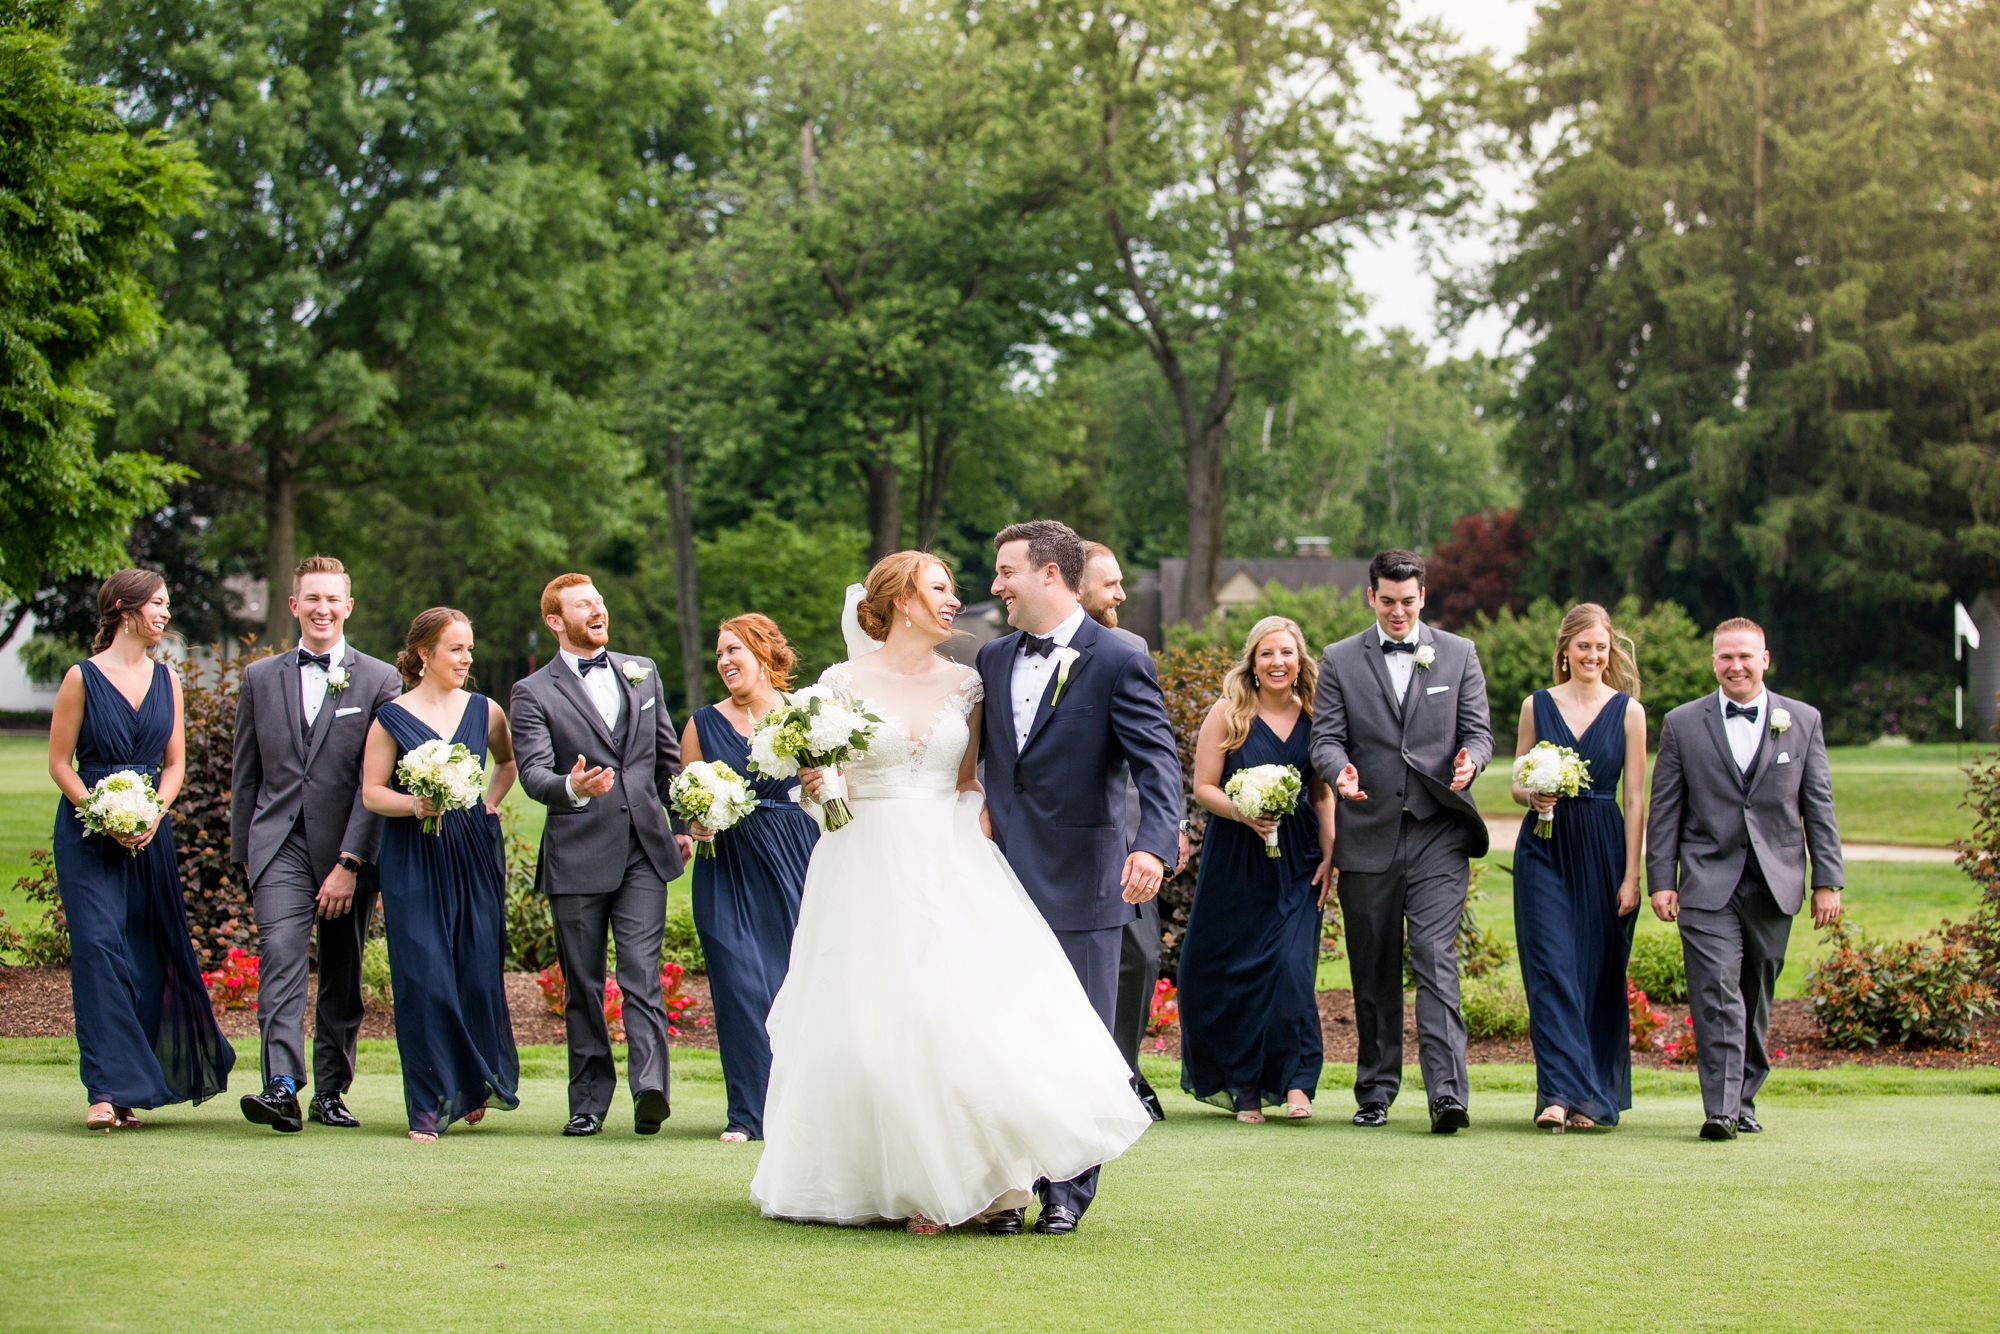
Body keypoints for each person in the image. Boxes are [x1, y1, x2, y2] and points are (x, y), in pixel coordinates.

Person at [752, 551, 1152, 1235]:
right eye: (939, 589)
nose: (954, 600)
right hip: (862, 863)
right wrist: (822, 790)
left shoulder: (969, 681)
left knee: (956, 1021)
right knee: (870, 1026)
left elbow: (970, 781)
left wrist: (977, 833)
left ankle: (972, 1185)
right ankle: (892, 1179)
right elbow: (825, 786)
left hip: (948, 858)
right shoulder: (838, 685)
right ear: (900, 600)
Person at [976, 520, 1183, 1233]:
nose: (996, 586)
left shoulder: (1119, 657)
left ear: (1049, 575)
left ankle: (1067, 1189)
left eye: (1006, 572)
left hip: (1084, 886)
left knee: (1079, 1045)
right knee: (1003, 1044)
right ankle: (1007, 1187)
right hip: (997, 884)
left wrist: (1152, 847)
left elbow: (1157, 764)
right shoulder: (992, 658)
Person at [1307, 549, 1492, 1134]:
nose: (1397, 612)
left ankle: (1447, 1095)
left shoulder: (1459, 653)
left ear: (1422, 597)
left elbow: (1480, 732)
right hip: (1368, 832)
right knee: (1373, 966)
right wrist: (1338, 771)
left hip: (1439, 830)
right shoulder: (1339, 659)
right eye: (1387, 601)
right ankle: (1376, 1091)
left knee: (1435, 957)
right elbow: (1325, 739)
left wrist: (1472, 759)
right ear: (1371, 596)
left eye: (1408, 602)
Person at [48, 569, 235, 1129]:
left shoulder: (167, 680)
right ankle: (104, 1091)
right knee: (98, 949)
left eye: (166, 603)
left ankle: (129, 1090)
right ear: (124, 610)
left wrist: (153, 811)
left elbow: (174, 764)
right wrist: (100, 811)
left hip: (149, 833)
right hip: (88, 835)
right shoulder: (81, 678)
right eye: (156, 603)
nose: (165, 613)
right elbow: (59, 763)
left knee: (143, 956)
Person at [1645, 617, 1842, 1140]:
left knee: (1755, 997)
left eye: (1745, 656)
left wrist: (1827, 880)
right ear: (1714, 662)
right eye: (1726, 657)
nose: (1736, 666)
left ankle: (1743, 1099)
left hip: (1775, 882)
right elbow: (1665, 810)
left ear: (1764, 660)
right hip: (1706, 879)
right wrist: (1661, 879)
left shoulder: (1802, 720)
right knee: (1716, 992)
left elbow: (1818, 805)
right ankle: (1720, 1110)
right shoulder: (1682, 723)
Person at [509, 575, 689, 1137]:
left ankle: (650, 1088)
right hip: (577, 853)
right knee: (583, 983)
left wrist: (682, 823)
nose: (598, 609)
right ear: (556, 621)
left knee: (641, 972)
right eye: (583, 604)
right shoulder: (532, 691)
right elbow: (533, 773)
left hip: (643, 849)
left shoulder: (643, 670)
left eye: (599, 601)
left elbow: (666, 758)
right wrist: (573, 786)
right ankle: (588, 1100)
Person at [230, 556, 401, 1133]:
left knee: (341, 973)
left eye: (332, 599)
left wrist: (351, 862)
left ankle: (330, 1090)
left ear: (348, 606)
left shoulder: (379, 680)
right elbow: (246, 775)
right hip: (277, 844)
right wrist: (246, 854)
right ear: (293, 605)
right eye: (312, 598)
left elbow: (378, 781)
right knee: (280, 955)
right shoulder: (258, 678)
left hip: (347, 849)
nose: (322, 608)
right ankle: (281, 1085)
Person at [361, 608, 520, 1141]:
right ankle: (427, 1104)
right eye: (455, 648)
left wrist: (489, 803)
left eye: (469, 648)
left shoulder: (486, 710)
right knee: (422, 975)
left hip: (473, 851)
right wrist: (416, 805)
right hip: (413, 856)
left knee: (475, 969)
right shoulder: (390, 717)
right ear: (424, 654)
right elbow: (372, 792)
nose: (467, 658)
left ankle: (474, 1082)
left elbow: (507, 763)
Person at [1178, 616, 1337, 1122]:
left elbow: (1321, 791)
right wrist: (1242, 811)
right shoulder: (1228, 713)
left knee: (1292, 967)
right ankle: (1244, 1087)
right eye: (1267, 653)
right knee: (1242, 970)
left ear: (1300, 660)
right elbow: (1204, 787)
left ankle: (1296, 1082)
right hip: (1236, 855)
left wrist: (1331, 852)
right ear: (1252, 662)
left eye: (1286, 652)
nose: (1277, 662)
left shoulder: (1314, 715)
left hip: (1299, 857)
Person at [1509, 603, 1647, 1133]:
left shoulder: (1629, 712)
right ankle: (1556, 1094)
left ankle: (1588, 1096)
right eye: (1583, 646)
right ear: (1565, 650)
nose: (1592, 655)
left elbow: (1634, 799)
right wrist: (1532, 795)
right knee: (1551, 968)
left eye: (1600, 647)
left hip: (1603, 847)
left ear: (1610, 652)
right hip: (1544, 848)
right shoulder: (1536, 705)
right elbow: (1516, 781)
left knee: (1596, 972)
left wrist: (1632, 876)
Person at [680, 614, 818, 1143]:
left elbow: (829, 789)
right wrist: (696, 823)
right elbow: (688, 797)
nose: (724, 661)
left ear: (763, 653)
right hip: (726, 864)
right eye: (719, 654)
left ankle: (801, 1106)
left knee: (792, 983)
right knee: (737, 984)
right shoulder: (701, 724)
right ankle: (746, 1112)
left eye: (733, 650)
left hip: (793, 856)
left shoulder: (803, 715)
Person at [1079, 540, 1186, 1121]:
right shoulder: (1012, 656)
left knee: (1139, 958)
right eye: (1111, 584)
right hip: (1056, 839)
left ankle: (1123, 1074)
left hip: (1128, 832)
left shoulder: (1131, 649)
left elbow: (1154, 752)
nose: (1122, 594)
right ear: (1076, 587)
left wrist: (1168, 828)